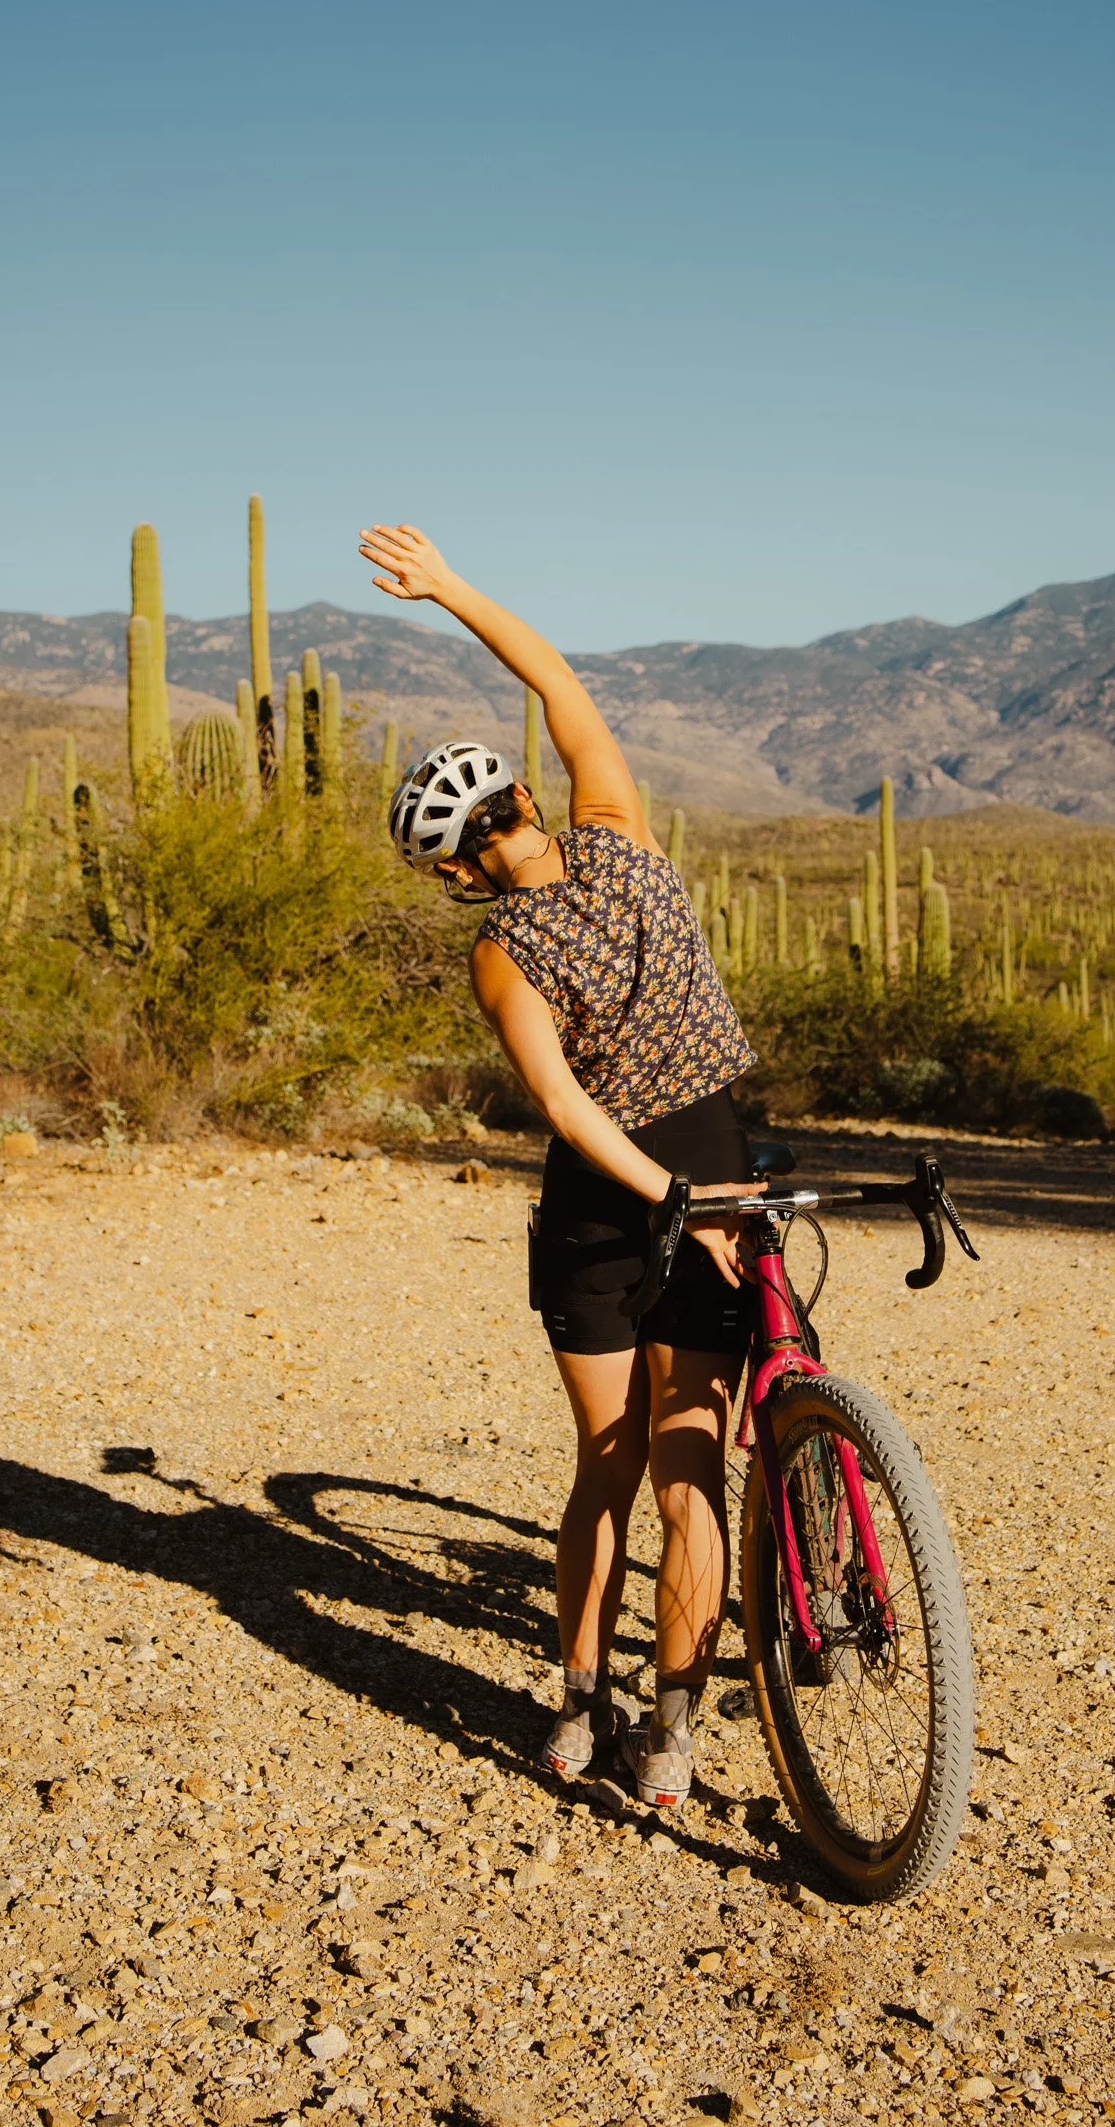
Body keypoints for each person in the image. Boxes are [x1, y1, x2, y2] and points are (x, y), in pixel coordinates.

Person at [363, 520, 758, 1811]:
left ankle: (578, 1706)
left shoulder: (499, 951)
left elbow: (562, 1103)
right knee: (692, 1470)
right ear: (524, 803)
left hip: (613, 1200)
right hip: (703, 1166)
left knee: (611, 1464)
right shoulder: (620, 831)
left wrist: (654, 1195)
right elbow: (559, 689)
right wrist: (449, 588)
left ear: (451, 869)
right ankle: (675, 1731)